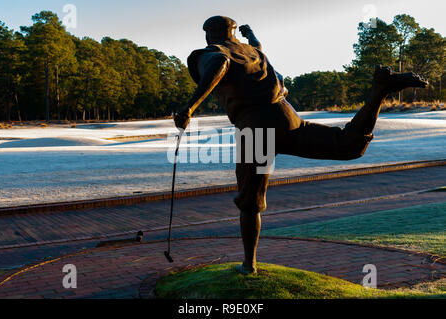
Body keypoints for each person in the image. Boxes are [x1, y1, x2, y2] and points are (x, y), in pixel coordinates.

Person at [174, 16, 428, 275]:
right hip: (287, 118)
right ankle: (380, 91)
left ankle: (249, 265)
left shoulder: (214, 52)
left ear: (209, 34)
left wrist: (189, 108)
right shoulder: (251, 51)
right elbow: (258, 44)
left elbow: (220, 63)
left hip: (256, 128)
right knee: (347, 145)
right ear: (234, 32)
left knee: (250, 201)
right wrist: (250, 34)